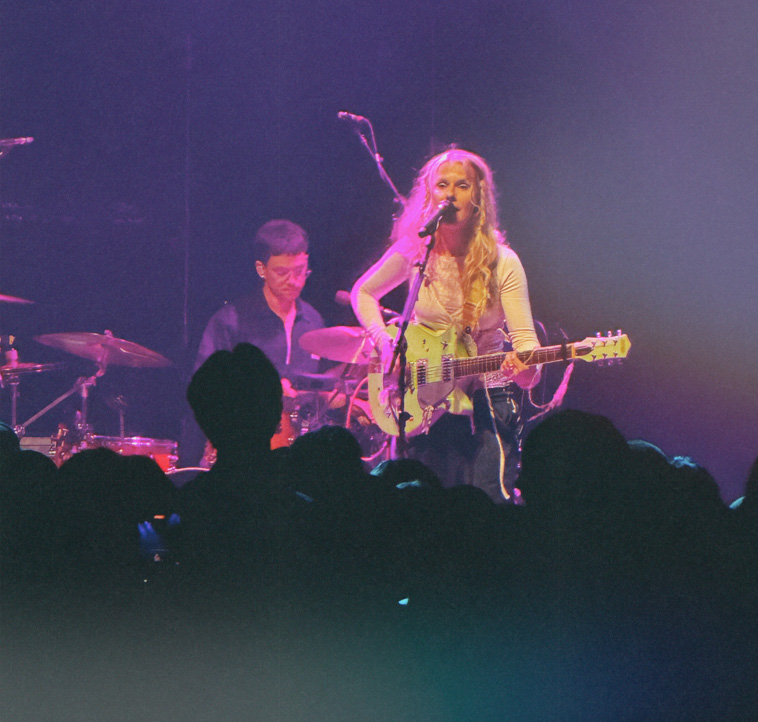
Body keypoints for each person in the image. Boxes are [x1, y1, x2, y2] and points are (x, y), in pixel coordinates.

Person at [350, 148, 541, 502]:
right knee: (417, 496)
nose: (450, 194)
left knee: (488, 496)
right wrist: (384, 342)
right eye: (442, 185)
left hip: (487, 381)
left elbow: (527, 350)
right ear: (429, 194)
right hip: (425, 388)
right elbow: (363, 292)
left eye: (462, 185)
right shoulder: (415, 251)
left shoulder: (504, 263)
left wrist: (526, 370)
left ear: (478, 196)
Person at [181, 220, 324, 465]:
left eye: (300, 271)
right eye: (282, 272)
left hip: (297, 452)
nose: (294, 280)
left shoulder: (313, 320)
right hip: (240, 447)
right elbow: (204, 387)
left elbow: (320, 388)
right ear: (261, 269)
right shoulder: (231, 321)